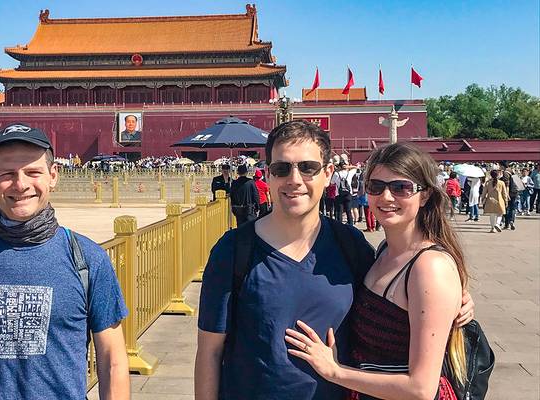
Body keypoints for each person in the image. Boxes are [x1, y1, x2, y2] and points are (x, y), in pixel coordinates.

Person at [195, 121, 474, 400]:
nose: (294, 180)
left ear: (328, 173)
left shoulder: (349, 245)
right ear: (268, 174)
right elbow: (210, 351)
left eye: (308, 168)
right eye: (282, 169)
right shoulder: (233, 251)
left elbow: (402, 302)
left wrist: (455, 302)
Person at [0, 123, 130, 399]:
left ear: (53, 176)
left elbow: (112, 360)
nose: (21, 184)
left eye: (33, 172)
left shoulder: (86, 258)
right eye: (7, 174)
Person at [285, 143, 469, 400]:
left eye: (401, 187)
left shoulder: (429, 267)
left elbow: (421, 389)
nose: (386, 197)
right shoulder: (383, 250)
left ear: (425, 195)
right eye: (376, 186)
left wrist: (335, 371)